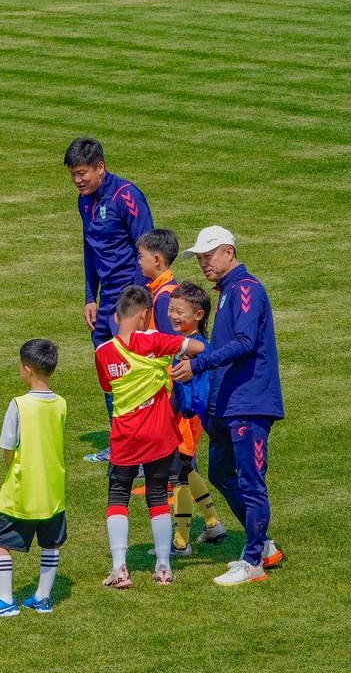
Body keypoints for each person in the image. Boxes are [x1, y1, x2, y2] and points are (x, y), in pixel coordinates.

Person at [171, 226, 284, 586]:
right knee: (220, 473)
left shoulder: (247, 289)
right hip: (227, 405)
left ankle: (252, 561)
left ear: (229, 253)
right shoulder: (228, 292)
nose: (204, 263)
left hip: (249, 403)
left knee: (251, 481)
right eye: (200, 258)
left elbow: (245, 342)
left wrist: (199, 365)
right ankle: (263, 544)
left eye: (209, 255)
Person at [95, 286, 203, 588]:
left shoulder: (103, 353)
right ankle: (164, 566)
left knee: (118, 496)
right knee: (157, 496)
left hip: (124, 436)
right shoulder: (155, 341)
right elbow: (195, 348)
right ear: (145, 315)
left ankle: (119, 568)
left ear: (117, 317)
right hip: (159, 435)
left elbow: (108, 387)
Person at [65, 138, 155, 463]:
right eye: (73, 174)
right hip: (104, 305)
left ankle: (145, 451)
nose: (77, 180)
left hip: (130, 300)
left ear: (100, 167)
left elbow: (147, 248)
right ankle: (120, 444)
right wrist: (91, 297)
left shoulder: (126, 196)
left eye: (82, 173)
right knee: (109, 369)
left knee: (134, 373)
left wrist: (133, 304)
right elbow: (89, 249)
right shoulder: (84, 201)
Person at [0, 339, 67, 618]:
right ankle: (42, 597)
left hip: (22, 488)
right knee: (51, 542)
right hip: (53, 489)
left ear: (26, 369)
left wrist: (12, 466)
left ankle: (4, 601)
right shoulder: (60, 403)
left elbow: (7, 448)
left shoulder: (19, 405)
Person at [166, 282, 227, 552]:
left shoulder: (194, 349)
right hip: (189, 420)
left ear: (198, 316)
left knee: (178, 475)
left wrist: (170, 412)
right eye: (171, 310)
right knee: (187, 469)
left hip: (185, 421)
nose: (173, 316)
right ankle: (213, 523)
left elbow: (187, 396)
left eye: (180, 311)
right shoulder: (192, 344)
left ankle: (181, 541)